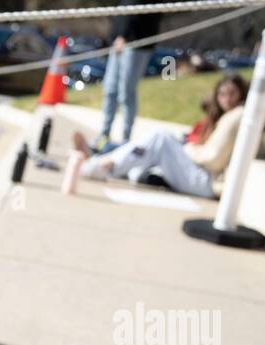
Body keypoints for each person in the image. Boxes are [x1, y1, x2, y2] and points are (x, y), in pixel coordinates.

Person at [73, 74, 250, 199]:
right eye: (222, 94)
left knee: (161, 138)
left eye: (232, 93)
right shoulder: (223, 118)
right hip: (200, 174)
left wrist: (189, 148)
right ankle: (101, 160)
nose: (227, 98)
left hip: (207, 182)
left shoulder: (236, 117)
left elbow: (213, 158)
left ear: (241, 94)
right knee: (141, 163)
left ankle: (101, 163)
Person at [96, 0, 162, 149]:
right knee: (110, 89)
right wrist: (116, 36)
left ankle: (125, 140)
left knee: (126, 93)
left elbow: (139, 13)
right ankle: (104, 134)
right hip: (118, 43)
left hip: (136, 45)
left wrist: (124, 36)